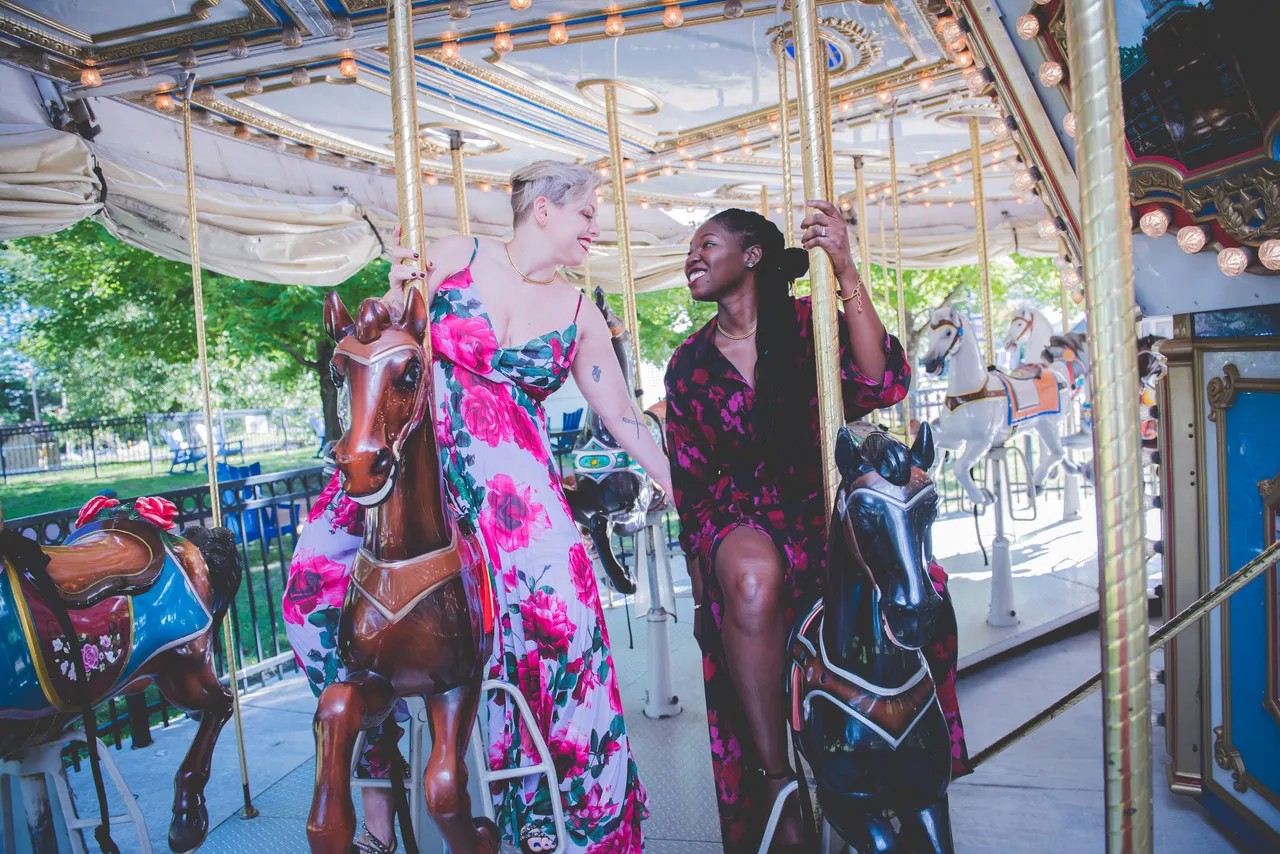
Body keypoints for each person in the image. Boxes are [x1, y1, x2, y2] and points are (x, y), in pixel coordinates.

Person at [285, 160, 671, 854]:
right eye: (587, 212)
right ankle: (373, 773)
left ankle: (576, 816)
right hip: (418, 465)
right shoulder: (453, 255)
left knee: (569, 615)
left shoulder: (580, 314)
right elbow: (391, 345)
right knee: (310, 585)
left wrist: (679, 486)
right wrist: (400, 291)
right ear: (544, 210)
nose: (596, 227)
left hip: (512, 489)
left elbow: (625, 420)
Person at [664, 203, 971, 852]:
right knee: (752, 579)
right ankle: (776, 780)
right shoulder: (688, 365)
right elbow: (690, 487)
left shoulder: (807, 327)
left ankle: (916, 757)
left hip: (816, 504)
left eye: (706, 243)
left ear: (751, 256)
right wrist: (700, 586)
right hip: (738, 516)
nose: (691, 256)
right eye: (691, 247)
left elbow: (882, 381)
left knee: (923, 590)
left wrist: (846, 265)